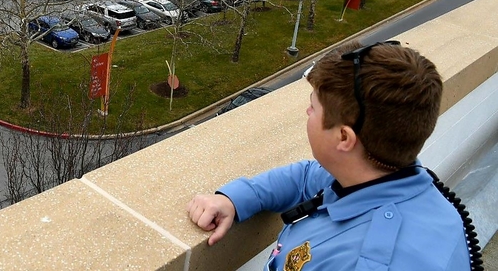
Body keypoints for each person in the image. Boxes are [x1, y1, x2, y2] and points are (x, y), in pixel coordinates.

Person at [187, 41, 471, 271]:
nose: (307, 113)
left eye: (314, 107)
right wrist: (235, 199)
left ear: (344, 138)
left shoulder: (367, 262)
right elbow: (307, 177)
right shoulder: (379, 174)